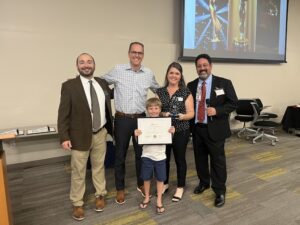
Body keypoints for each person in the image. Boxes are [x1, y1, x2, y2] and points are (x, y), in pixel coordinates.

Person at [102, 42, 159, 204]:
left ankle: (141, 183)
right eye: (134, 52)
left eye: (140, 53)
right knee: (120, 155)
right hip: (122, 119)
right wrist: (80, 82)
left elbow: (158, 89)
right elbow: (100, 82)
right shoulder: (118, 70)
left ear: (143, 55)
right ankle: (120, 188)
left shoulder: (148, 73)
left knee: (141, 154)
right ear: (129, 54)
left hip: (141, 119)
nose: (137, 55)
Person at [57, 53, 113, 221]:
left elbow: (109, 101)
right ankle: (77, 203)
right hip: (78, 136)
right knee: (78, 171)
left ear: (94, 65)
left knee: (99, 167)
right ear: (77, 66)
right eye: (82, 62)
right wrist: (64, 136)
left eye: (89, 62)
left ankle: (100, 195)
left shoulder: (102, 83)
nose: (86, 65)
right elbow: (63, 114)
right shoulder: (69, 86)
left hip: (100, 133)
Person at [187, 53, 238, 207]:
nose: (202, 68)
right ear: (196, 68)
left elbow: (233, 103)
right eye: (199, 66)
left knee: (218, 161)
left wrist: (217, 110)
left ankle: (220, 190)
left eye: (205, 65)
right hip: (197, 129)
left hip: (215, 129)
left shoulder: (224, 83)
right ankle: (204, 183)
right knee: (200, 159)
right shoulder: (191, 85)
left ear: (210, 66)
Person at [156, 62, 194, 202]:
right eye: (171, 72)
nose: (174, 75)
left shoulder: (185, 92)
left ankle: (180, 186)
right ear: (167, 74)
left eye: (177, 73)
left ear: (180, 76)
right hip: (164, 131)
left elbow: (191, 113)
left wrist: (182, 116)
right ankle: (164, 183)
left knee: (179, 159)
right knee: (163, 159)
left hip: (181, 130)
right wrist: (163, 114)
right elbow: (156, 111)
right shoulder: (160, 92)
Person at [134, 97, 175, 214]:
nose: (153, 111)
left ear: (160, 109)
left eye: (156, 108)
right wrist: (136, 135)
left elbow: (169, 139)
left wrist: (172, 132)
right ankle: (146, 197)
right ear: (147, 110)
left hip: (161, 156)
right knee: (146, 178)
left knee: (160, 179)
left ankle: (159, 200)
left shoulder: (165, 122)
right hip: (146, 155)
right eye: (150, 108)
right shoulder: (143, 123)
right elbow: (139, 142)